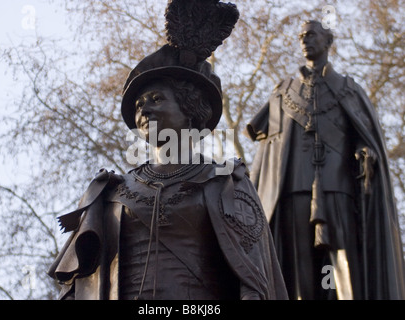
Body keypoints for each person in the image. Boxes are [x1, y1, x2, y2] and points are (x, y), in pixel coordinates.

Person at [48, 0, 287, 300]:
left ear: (190, 110)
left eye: (156, 98)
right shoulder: (110, 192)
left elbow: (254, 281)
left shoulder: (226, 181)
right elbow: (79, 287)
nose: (144, 108)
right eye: (139, 104)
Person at [245, 20, 405, 300]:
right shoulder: (283, 92)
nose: (305, 40)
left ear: (327, 41)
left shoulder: (348, 88)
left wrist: (366, 152)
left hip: (338, 187)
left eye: (311, 35)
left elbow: (364, 134)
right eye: (301, 36)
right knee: (298, 267)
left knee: (345, 264)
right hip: (293, 189)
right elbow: (262, 137)